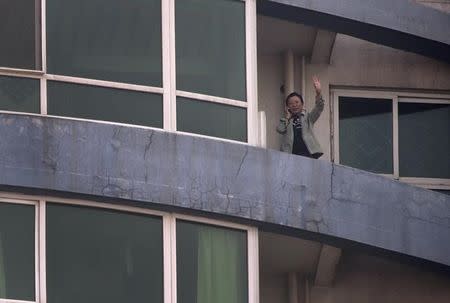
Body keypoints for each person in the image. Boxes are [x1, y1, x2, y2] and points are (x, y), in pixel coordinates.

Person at [276, 76, 324, 159]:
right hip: (291, 155)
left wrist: (318, 93)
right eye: (291, 103)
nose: (294, 105)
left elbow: (319, 107)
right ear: (287, 107)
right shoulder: (287, 121)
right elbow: (280, 129)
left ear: (302, 104)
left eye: (297, 102)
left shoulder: (307, 118)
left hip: (308, 154)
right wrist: (287, 117)